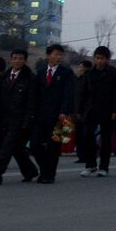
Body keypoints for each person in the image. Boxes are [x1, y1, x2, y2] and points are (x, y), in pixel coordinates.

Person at [0, 50, 39, 185]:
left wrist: (27, 120)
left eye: (20, 59)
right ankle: (30, 171)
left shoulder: (30, 78)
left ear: (25, 61)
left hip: (19, 120)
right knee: (16, 148)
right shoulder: (3, 77)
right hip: (3, 119)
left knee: (6, 149)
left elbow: (31, 102)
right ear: (11, 60)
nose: (17, 61)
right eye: (15, 58)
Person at [32, 44, 76, 183]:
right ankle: (45, 169)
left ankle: (49, 175)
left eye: (61, 55)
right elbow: (35, 94)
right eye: (56, 54)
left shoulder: (67, 73)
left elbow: (69, 94)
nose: (59, 57)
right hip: (41, 115)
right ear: (48, 56)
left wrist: (64, 111)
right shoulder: (40, 71)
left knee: (54, 146)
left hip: (60, 117)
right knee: (35, 145)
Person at [77, 46, 116, 176]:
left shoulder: (114, 73)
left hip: (107, 110)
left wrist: (115, 111)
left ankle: (104, 166)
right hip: (91, 110)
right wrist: (79, 110)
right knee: (87, 136)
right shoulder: (89, 73)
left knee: (106, 139)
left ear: (107, 59)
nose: (99, 61)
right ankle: (90, 165)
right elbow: (83, 93)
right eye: (97, 58)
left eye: (102, 58)